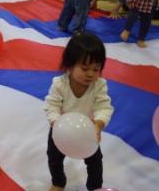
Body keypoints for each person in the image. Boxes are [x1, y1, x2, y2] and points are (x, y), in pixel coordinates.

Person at [44, 32, 113, 191]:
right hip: (60, 130)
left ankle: (95, 187)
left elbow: (104, 107)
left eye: (96, 69)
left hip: (88, 131)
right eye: (84, 68)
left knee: (95, 162)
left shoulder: (99, 85)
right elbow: (51, 105)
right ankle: (58, 182)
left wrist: (98, 124)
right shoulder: (60, 84)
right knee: (54, 158)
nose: (90, 73)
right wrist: (56, 123)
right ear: (69, 65)